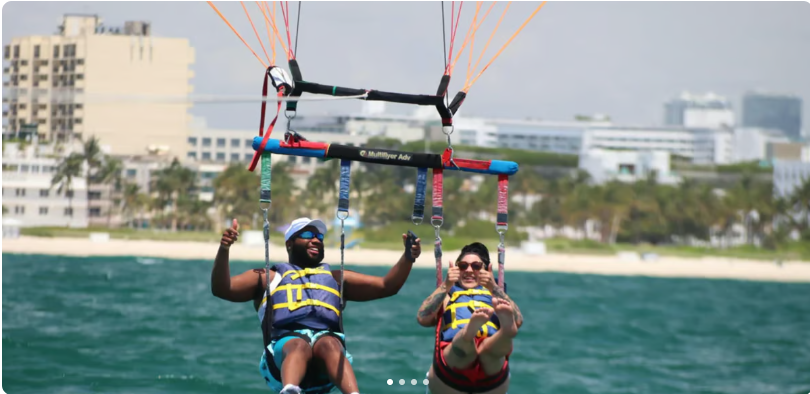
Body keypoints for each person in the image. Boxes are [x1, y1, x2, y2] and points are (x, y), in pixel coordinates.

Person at [211, 217, 422, 394]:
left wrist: (408, 257)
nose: (316, 240)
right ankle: (290, 390)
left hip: (328, 360)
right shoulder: (268, 278)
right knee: (298, 345)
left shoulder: (337, 279)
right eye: (307, 235)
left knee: (329, 343)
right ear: (289, 244)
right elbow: (222, 289)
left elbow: (387, 286)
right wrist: (224, 249)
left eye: (319, 236)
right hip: (281, 359)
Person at [416, 242, 523, 394]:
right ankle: (468, 332)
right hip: (454, 360)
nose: (469, 270)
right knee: (464, 350)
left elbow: (518, 321)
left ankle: (506, 332)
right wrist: (446, 285)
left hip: (490, 369)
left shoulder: (495, 295)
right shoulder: (447, 294)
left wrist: (494, 287)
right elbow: (423, 318)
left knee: (489, 351)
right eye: (463, 266)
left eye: (476, 266)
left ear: (486, 270)